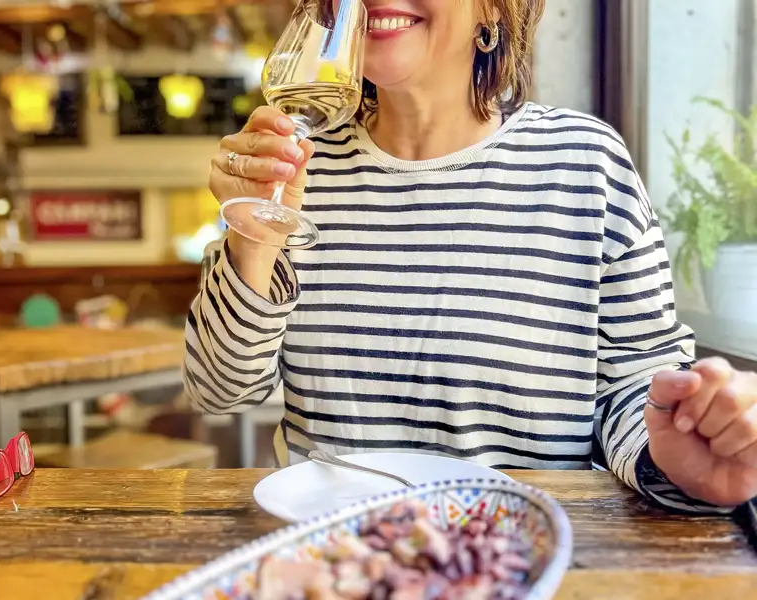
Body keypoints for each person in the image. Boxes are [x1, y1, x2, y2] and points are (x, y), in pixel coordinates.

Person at [185, 0, 757, 512]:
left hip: (515, 556)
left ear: (495, 8)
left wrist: (673, 451)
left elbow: (634, 384)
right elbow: (219, 390)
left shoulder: (584, 163)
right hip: (333, 557)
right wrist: (252, 237)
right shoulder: (296, 165)